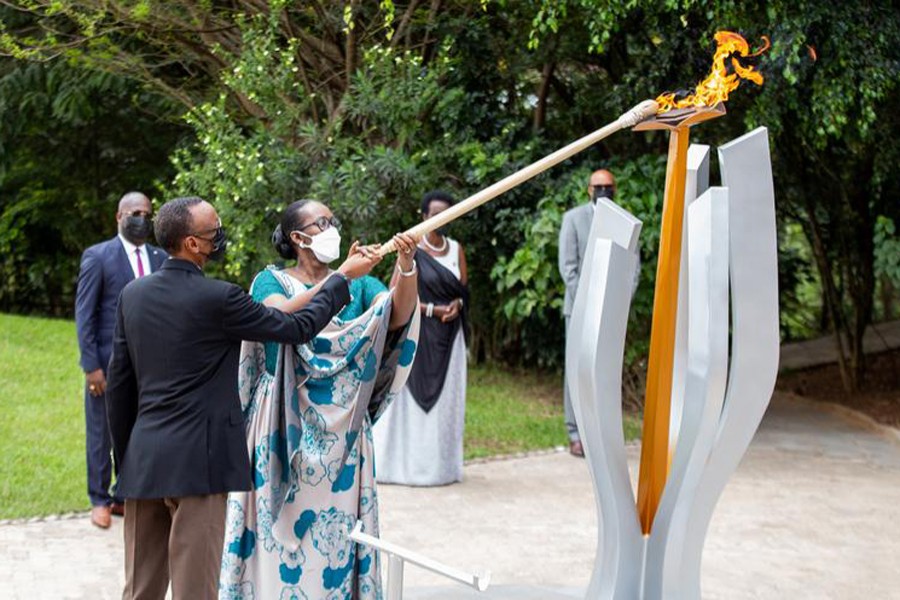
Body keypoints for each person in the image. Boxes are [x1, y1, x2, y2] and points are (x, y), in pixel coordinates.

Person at [106, 196, 378, 600]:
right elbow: (296, 328)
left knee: (139, 592)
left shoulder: (133, 295)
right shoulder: (219, 298)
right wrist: (342, 281)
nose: (221, 236)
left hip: (144, 462)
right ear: (192, 244)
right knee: (195, 592)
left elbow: (119, 386)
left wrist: (125, 461)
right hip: (200, 466)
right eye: (214, 231)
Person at [218, 200, 420, 600]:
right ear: (297, 237)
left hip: (344, 431)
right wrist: (342, 276)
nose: (333, 228)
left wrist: (406, 265)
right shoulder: (271, 281)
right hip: (281, 421)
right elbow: (279, 317)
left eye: (333, 221)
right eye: (322, 223)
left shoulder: (360, 284)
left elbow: (396, 314)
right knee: (275, 538)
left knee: (337, 537)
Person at [74, 191, 166, 529]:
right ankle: (99, 499)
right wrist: (91, 367)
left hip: (150, 364)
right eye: (135, 213)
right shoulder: (98, 257)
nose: (142, 219)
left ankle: (123, 495)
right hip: (108, 363)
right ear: (119, 216)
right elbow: (85, 315)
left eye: (147, 214)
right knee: (102, 432)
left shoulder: (160, 258)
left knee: (138, 431)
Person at [374, 190, 469, 486]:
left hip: (449, 337)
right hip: (418, 333)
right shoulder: (411, 248)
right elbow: (394, 293)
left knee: (445, 404)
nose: (440, 219)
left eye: (446, 214)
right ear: (424, 216)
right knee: (410, 401)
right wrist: (431, 310)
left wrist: (457, 305)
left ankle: (441, 469)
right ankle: (408, 468)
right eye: (434, 214)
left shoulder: (456, 249)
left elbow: (463, 291)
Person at [559, 169, 616, 457]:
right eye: (598, 186)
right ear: (589, 189)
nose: (603, 191)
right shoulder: (573, 219)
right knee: (576, 368)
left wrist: (617, 301)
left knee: (605, 371)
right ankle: (575, 432)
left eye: (608, 186)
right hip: (579, 309)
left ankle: (600, 433)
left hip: (612, 310)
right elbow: (568, 267)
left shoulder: (622, 220)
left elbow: (632, 268)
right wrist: (587, 302)